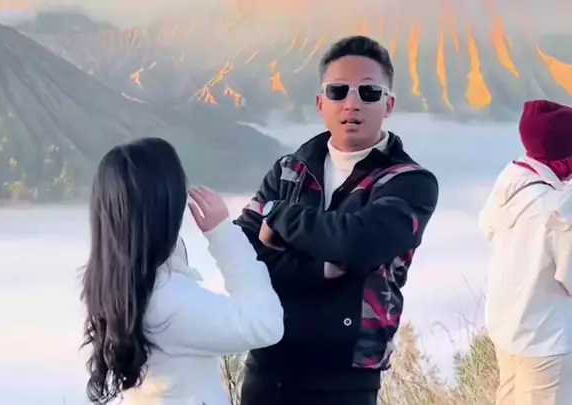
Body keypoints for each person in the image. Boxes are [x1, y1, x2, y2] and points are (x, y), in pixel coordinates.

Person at [234, 35, 439, 405]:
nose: (351, 103)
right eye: (338, 91)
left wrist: (279, 215)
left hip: (345, 379)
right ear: (320, 103)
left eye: (369, 93)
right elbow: (241, 251)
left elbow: (357, 243)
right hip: (268, 369)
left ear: (389, 105)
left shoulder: (409, 182)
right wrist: (321, 269)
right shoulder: (288, 171)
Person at [81, 137, 284, 405]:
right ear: (165, 206)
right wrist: (222, 233)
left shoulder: (117, 281)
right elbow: (265, 324)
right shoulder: (169, 301)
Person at [480, 99, 572, 405]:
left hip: (509, 326)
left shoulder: (513, 179)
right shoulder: (558, 212)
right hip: (547, 341)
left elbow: (488, 227)